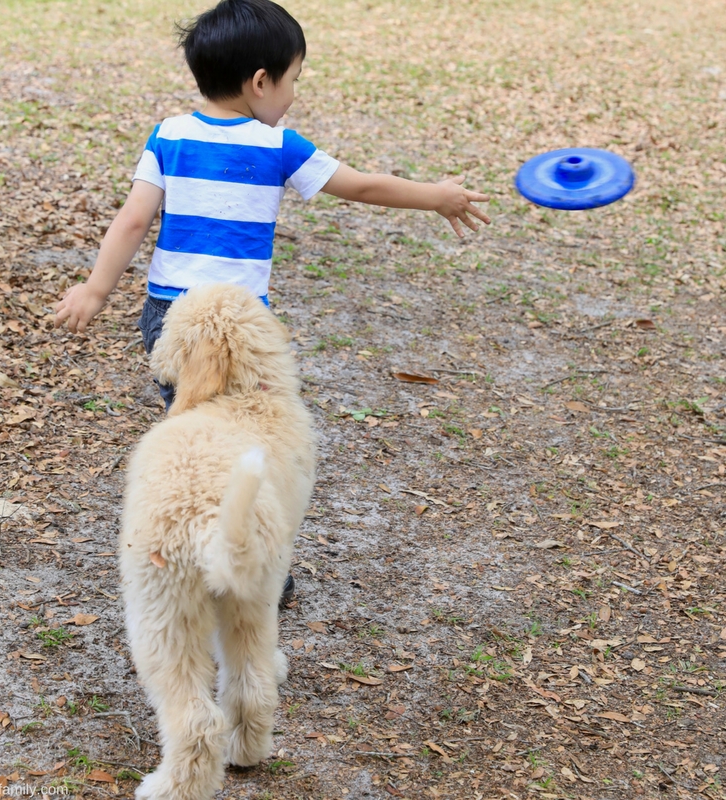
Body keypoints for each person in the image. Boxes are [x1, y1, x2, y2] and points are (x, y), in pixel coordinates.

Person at [54, 0, 491, 601]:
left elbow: (133, 220)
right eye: (293, 82)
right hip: (238, 332)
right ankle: (251, 559)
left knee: (193, 433)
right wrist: (435, 196)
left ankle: (186, 544)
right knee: (244, 438)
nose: (291, 96)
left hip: (170, 323)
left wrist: (95, 290)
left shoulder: (170, 135)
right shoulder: (277, 145)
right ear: (261, 81)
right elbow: (358, 185)